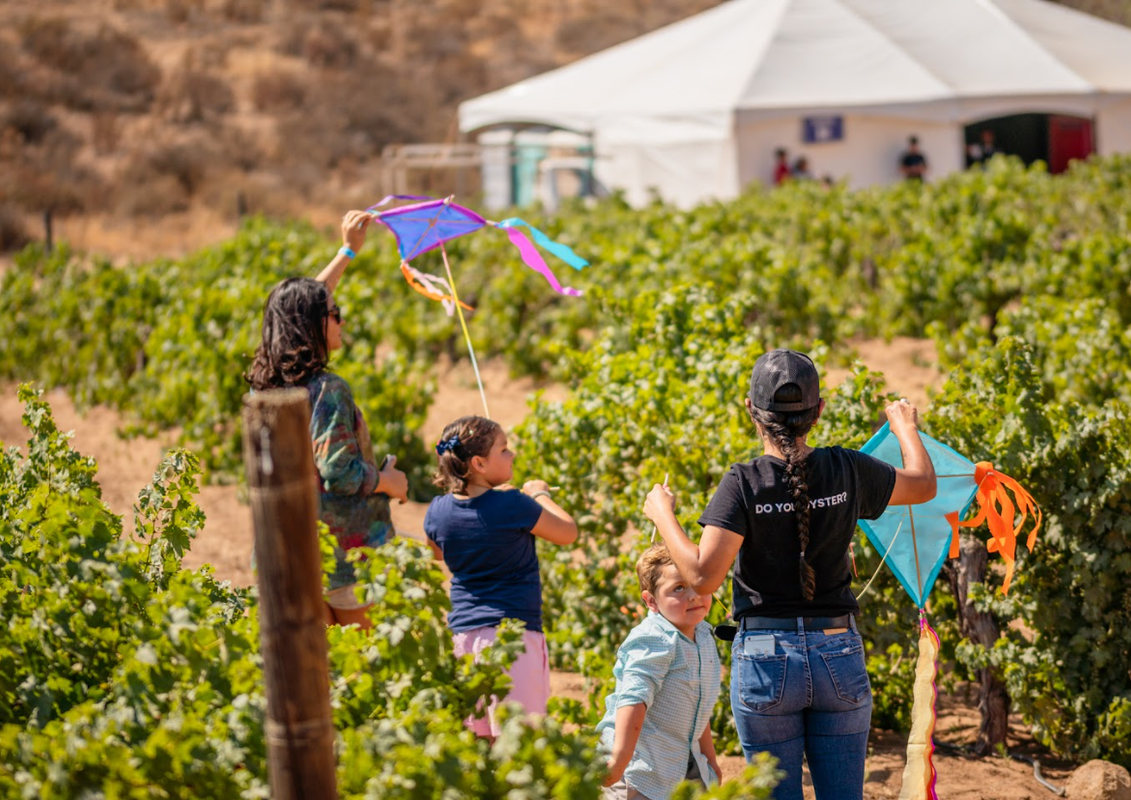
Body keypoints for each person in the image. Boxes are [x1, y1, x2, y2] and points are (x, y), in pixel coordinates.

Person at [643, 349, 936, 800]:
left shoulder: (742, 483)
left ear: (750, 411)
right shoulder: (847, 468)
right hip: (838, 648)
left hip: (764, 655)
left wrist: (663, 514)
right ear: (818, 412)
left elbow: (702, 577)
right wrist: (904, 428)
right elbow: (923, 484)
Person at [247, 209, 409, 628]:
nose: (341, 318)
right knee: (368, 672)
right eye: (335, 314)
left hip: (288, 552)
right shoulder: (327, 389)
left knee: (320, 680)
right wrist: (387, 481)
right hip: (344, 562)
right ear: (316, 325)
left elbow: (297, 308)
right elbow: (340, 473)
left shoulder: (266, 387)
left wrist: (346, 252)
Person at [424, 415, 578, 738]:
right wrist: (539, 495)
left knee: (478, 742)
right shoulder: (513, 504)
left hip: (463, 641)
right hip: (513, 639)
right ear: (479, 462)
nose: (513, 455)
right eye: (505, 449)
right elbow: (567, 532)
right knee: (520, 744)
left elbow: (437, 552)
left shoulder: (437, 510)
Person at [597, 543, 722, 800]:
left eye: (697, 585)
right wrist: (619, 762)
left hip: (680, 759)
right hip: (638, 767)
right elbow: (634, 699)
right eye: (678, 588)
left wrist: (710, 760)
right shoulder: (654, 638)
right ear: (651, 600)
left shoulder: (703, 635)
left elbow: (698, 705)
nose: (693, 595)